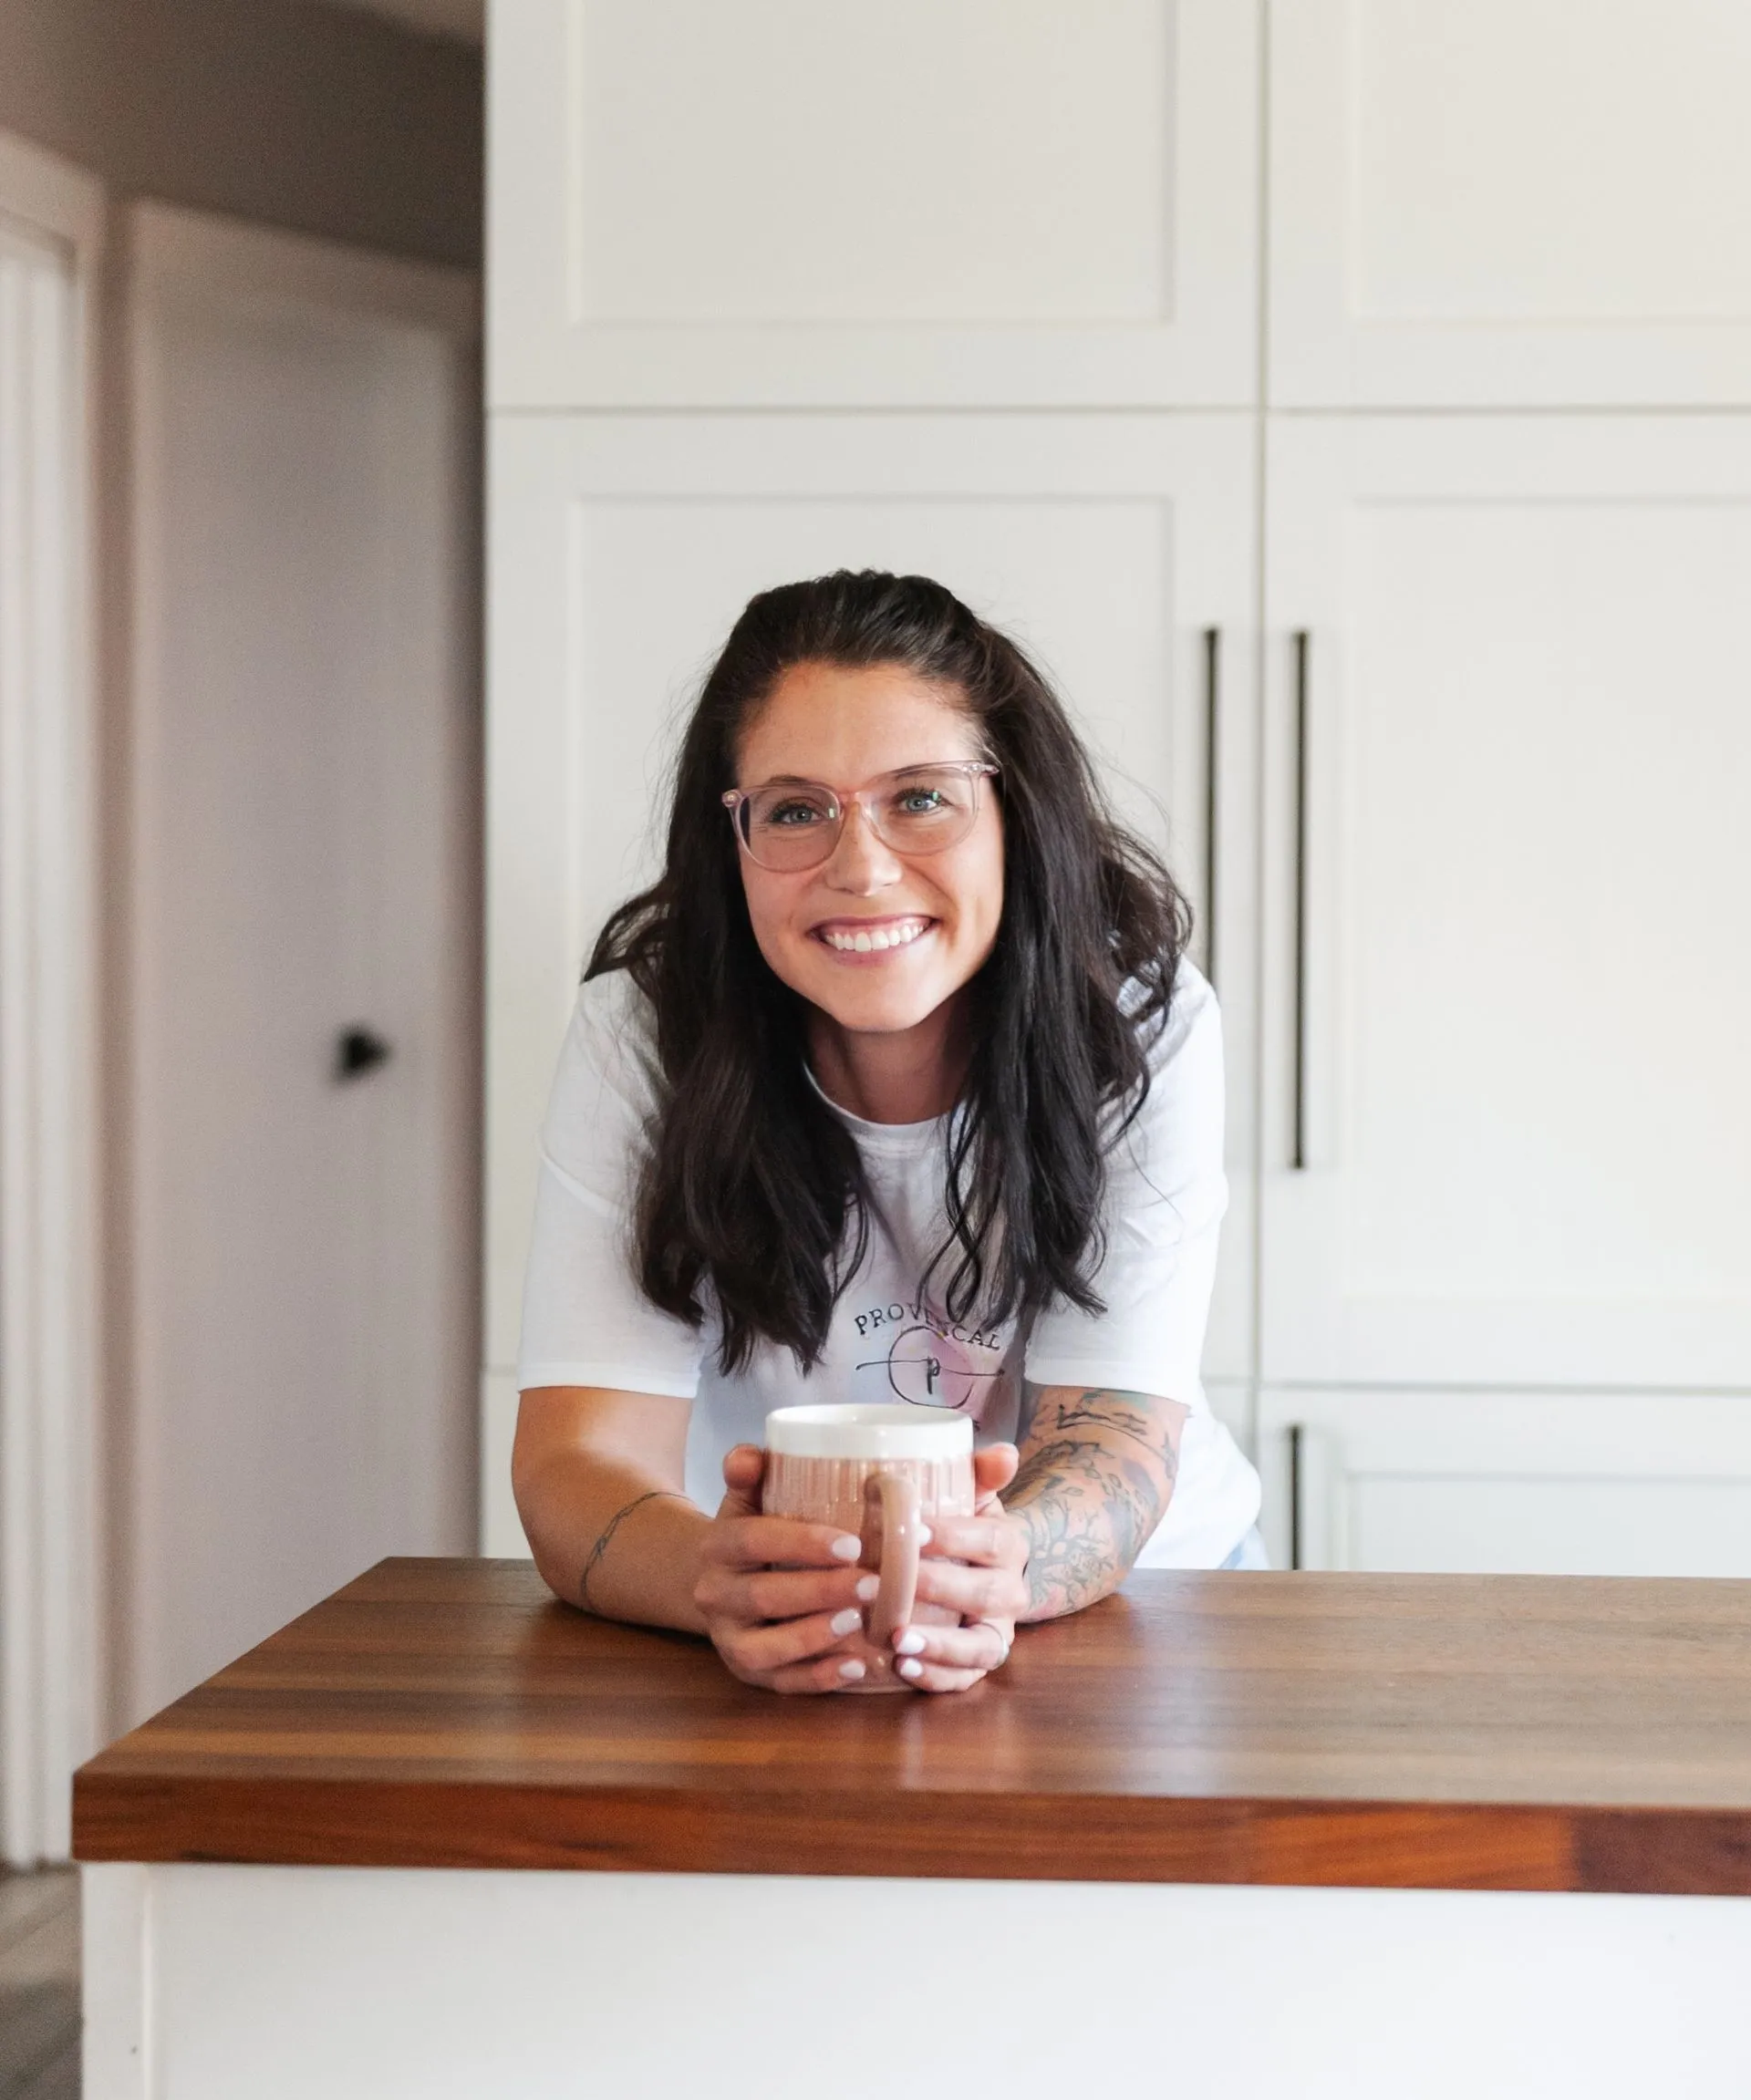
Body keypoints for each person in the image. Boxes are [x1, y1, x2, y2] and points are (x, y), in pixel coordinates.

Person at [513, 569, 1264, 1695]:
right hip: (786, 1620)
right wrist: (715, 1576)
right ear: (734, 839)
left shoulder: (1134, 1019)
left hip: (1142, 1610)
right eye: (797, 808)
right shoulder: (646, 1031)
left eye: (920, 796)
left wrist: (997, 1566)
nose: (860, 869)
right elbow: (580, 1457)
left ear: (1015, 808)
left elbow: (1110, 1437)